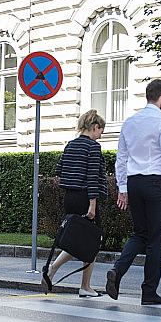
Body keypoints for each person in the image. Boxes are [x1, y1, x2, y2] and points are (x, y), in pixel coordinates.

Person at [105, 79, 161, 305]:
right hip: (156, 182)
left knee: (139, 233)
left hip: (134, 182)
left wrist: (122, 188)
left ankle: (117, 270)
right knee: (155, 239)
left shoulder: (130, 122)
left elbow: (121, 158)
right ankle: (149, 292)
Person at [45, 109, 107, 297]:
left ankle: (53, 269)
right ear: (95, 127)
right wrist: (93, 204)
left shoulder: (70, 145)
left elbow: (59, 169)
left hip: (69, 198)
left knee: (77, 240)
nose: (100, 136)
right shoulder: (93, 147)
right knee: (91, 242)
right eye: (101, 132)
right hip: (85, 198)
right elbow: (92, 178)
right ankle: (85, 286)